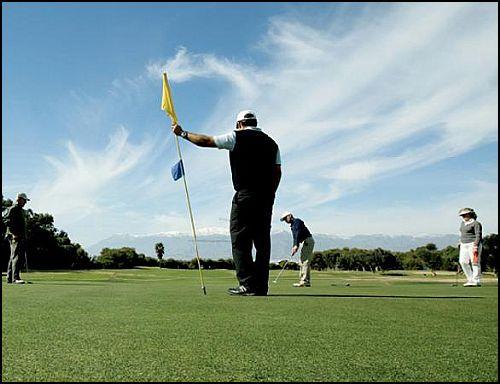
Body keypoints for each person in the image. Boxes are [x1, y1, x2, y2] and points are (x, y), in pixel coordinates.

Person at [172, 110, 281, 295]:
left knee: (240, 240)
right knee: (262, 242)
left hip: (245, 195)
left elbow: (206, 141)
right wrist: (271, 193)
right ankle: (261, 286)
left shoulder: (236, 136)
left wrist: (183, 133)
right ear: (255, 122)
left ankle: (247, 284)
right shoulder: (272, 143)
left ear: (239, 124)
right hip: (266, 197)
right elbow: (278, 172)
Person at [280, 212, 315, 287]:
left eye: (285, 218)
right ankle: (306, 281)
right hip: (306, 242)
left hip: (308, 241)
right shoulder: (293, 226)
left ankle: (304, 281)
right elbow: (295, 237)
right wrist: (294, 246)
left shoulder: (297, 221)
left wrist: (296, 245)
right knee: (302, 261)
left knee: (305, 261)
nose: (285, 221)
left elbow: (298, 233)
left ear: (290, 216)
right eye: (284, 220)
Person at [4, 193, 30, 284]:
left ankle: (9, 278)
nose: (25, 202)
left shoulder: (21, 210)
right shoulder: (13, 209)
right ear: (19, 199)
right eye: (24, 200)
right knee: (16, 256)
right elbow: (7, 221)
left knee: (13, 256)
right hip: (14, 236)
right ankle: (15, 278)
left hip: (20, 236)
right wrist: (13, 233)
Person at [458, 207, 482, 287]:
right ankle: (470, 279)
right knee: (463, 262)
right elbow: (462, 233)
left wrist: (476, 245)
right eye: (462, 215)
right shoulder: (463, 223)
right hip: (463, 244)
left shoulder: (476, 223)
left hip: (473, 244)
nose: (463, 216)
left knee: (475, 262)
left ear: (470, 214)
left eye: (465, 215)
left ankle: (476, 280)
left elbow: (478, 235)